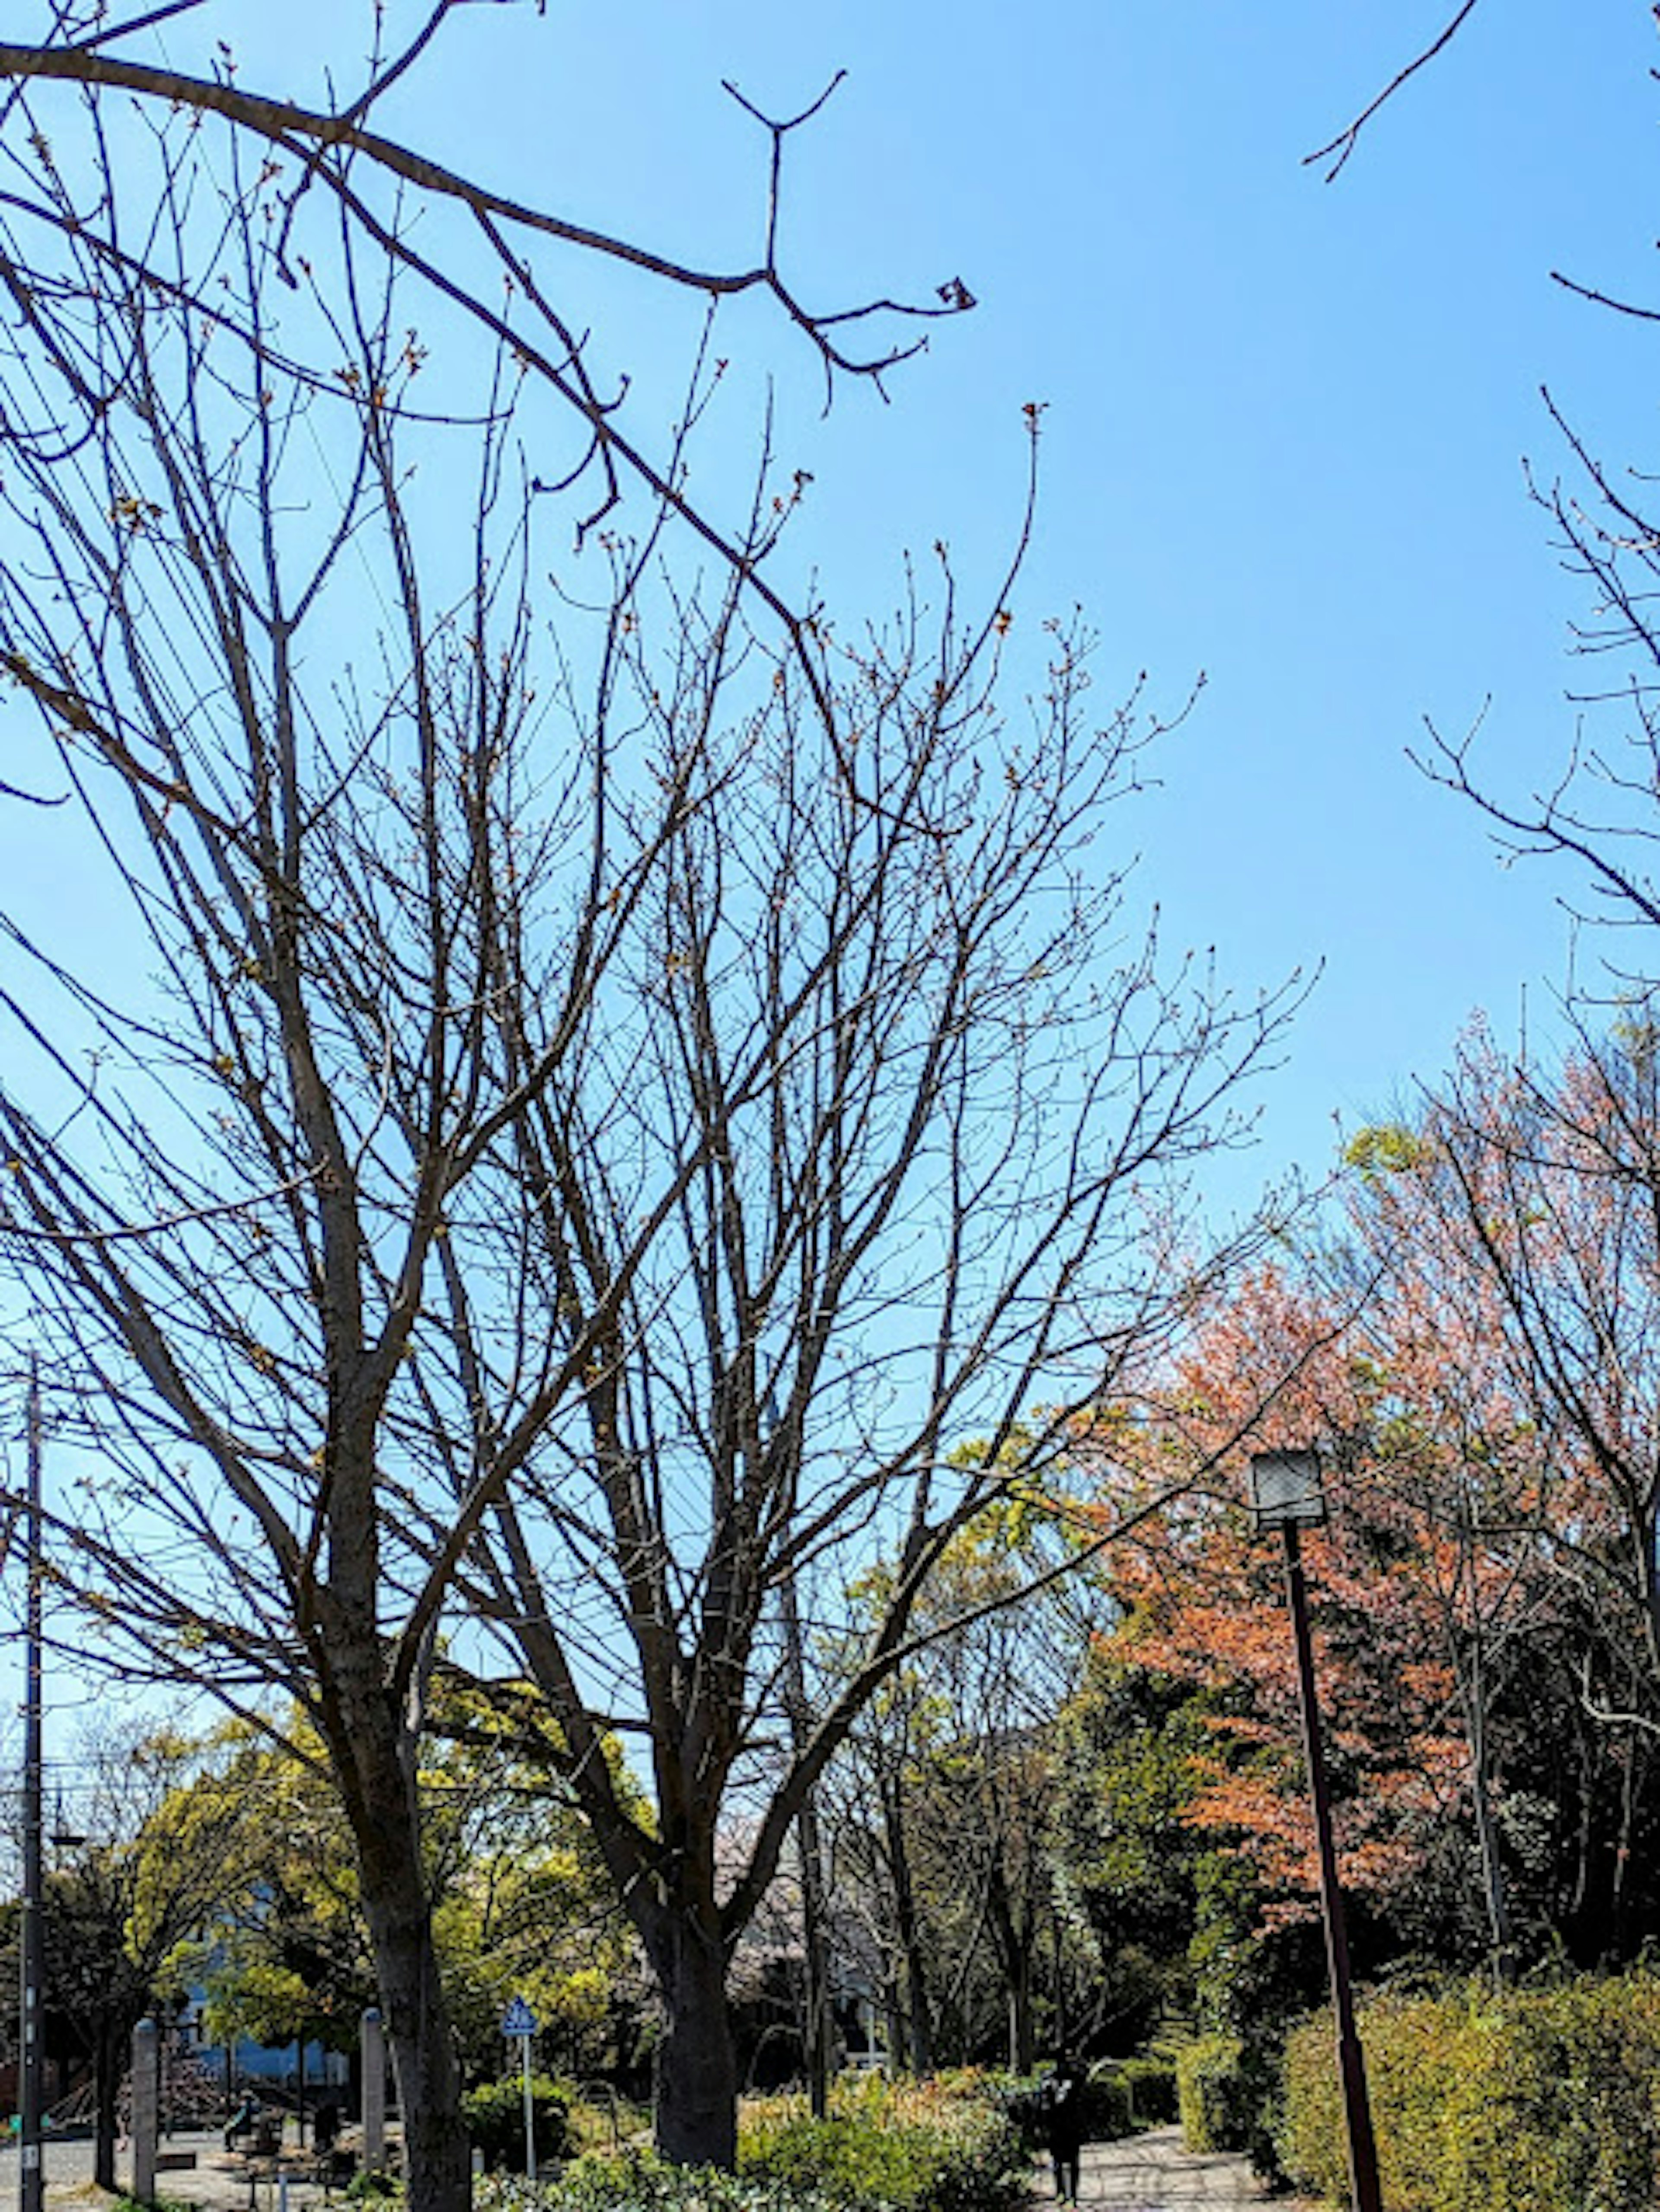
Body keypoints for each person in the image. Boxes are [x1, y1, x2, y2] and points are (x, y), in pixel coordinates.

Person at [1044, 2054, 1085, 2206]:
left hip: (1068, 2126)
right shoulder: (1050, 2080)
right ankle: (1062, 2193)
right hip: (1058, 2126)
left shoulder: (1074, 2078)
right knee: (1060, 2162)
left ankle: (1070, 2195)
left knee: (1069, 2161)